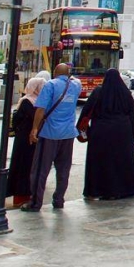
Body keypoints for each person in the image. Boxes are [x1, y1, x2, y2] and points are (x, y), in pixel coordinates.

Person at [22, 63, 82, 212]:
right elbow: (75, 80)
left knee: (40, 170)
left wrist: (34, 129)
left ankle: (35, 203)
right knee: (63, 170)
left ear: (55, 73)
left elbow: (40, 109)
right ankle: (59, 200)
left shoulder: (50, 85)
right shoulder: (76, 86)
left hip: (50, 133)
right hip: (68, 133)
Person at [77, 68, 134, 200]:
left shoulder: (98, 92)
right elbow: (132, 116)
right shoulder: (126, 94)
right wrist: (133, 136)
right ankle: (120, 190)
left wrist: (84, 130)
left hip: (100, 133)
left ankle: (95, 190)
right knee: (120, 161)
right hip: (122, 133)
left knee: (99, 162)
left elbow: (86, 111)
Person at [6, 76, 46, 208]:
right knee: (24, 167)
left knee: (28, 166)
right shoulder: (28, 102)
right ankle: (20, 197)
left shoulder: (29, 101)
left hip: (28, 138)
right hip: (26, 140)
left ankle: (26, 195)